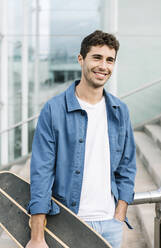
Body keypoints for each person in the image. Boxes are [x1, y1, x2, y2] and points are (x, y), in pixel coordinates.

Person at [26, 30, 136, 248]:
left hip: (110, 225)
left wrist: (120, 212)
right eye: (97, 57)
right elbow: (42, 172)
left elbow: (127, 165)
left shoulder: (119, 111)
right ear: (81, 59)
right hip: (67, 222)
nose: (103, 66)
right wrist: (37, 237)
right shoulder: (54, 109)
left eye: (109, 60)